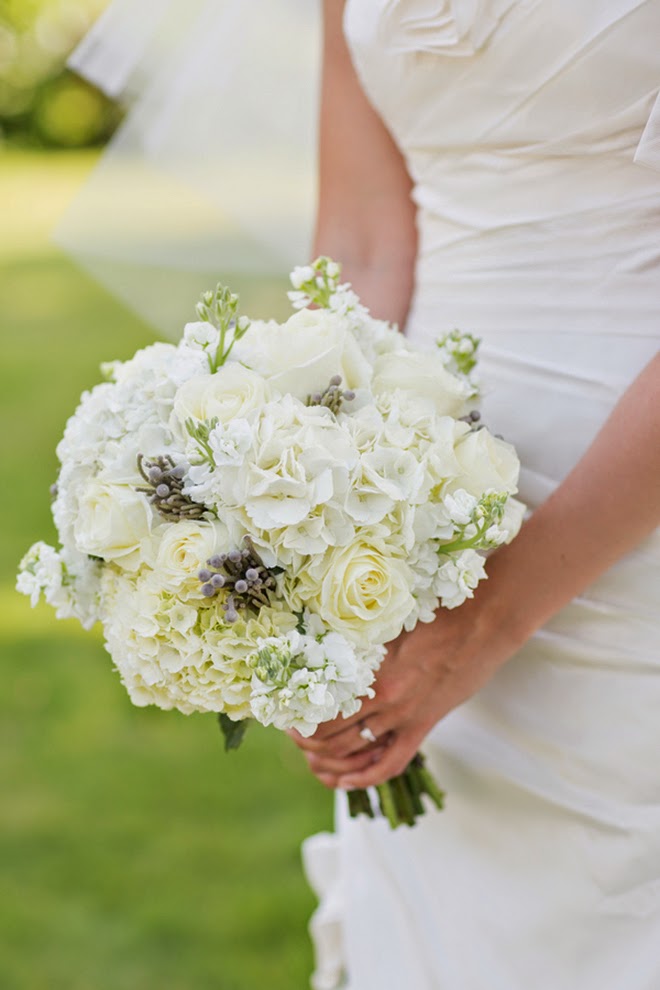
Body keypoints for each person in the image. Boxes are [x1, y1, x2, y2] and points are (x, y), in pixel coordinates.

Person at [290, 2, 660, 988]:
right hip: (415, 533)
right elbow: (364, 241)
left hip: (635, 534)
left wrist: (487, 620)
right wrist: (305, 529)